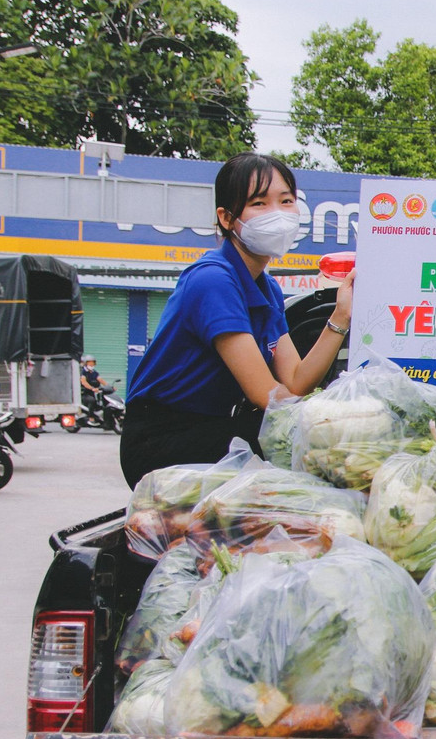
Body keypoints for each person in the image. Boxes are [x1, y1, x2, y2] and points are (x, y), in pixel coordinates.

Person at [119, 153, 354, 488]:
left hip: (214, 429)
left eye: (286, 201)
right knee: (298, 447)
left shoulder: (267, 288)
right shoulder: (213, 280)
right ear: (227, 218)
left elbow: (297, 383)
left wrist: (341, 315)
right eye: (259, 203)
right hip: (162, 441)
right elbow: (268, 396)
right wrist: (338, 421)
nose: (277, 213)